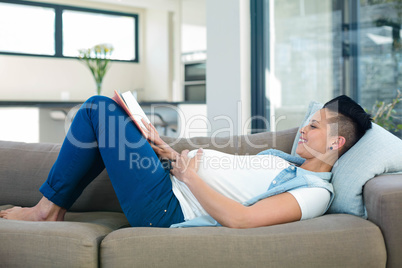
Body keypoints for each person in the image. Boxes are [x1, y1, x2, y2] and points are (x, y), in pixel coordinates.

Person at [0, 95, 372, 228]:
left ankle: (46, 210)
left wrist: (189, 178)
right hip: (171, 183)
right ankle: (51, 208)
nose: (303, 130)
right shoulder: (286, 164)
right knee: (111, 114)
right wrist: (166, 149)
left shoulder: (313, 194)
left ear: (336, 143)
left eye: (314, 125)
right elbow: (226, 180)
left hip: (167, 208)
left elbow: (240, 219)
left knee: (98, 109)